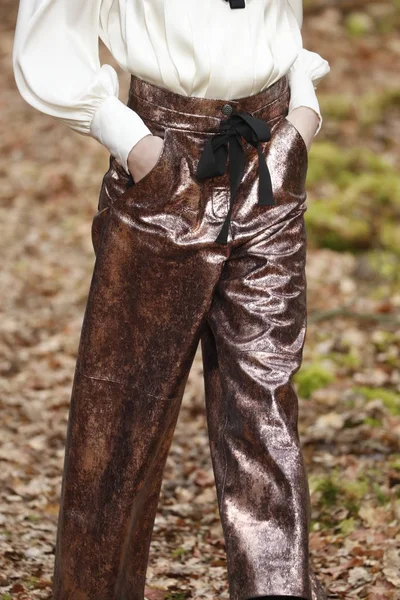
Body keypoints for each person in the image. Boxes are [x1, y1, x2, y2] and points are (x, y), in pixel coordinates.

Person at [13, 1, 331, 599]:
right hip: (161, 162)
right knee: (123, 414)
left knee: (266, 407)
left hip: (271, 157)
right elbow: (49, 39)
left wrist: (303, 108)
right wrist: (135, 146)